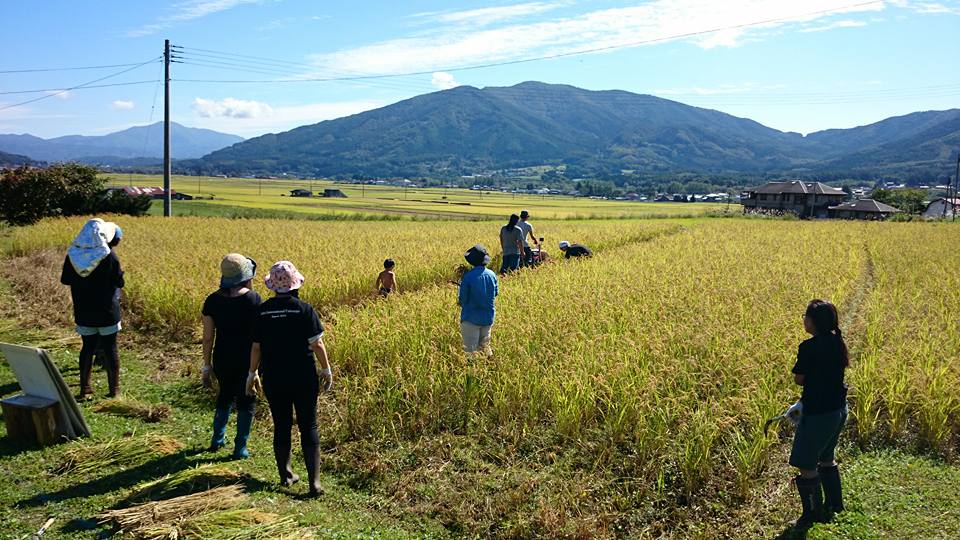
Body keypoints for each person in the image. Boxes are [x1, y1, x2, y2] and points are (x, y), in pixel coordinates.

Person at [246, 261, 333, 497]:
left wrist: (252, 373)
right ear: (295, 284)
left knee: (281, 424)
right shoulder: (304, 309)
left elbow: (256, 347)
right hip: (303, 375)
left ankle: (286, 474)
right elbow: (317, 343)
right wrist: (326, 370)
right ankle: (314, 483)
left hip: (274, 375)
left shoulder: (263, 311)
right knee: (309, 424)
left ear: (273, 286)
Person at [789, 299, 849, 528]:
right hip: (838, 410)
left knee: (806, 464)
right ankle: (835, 504)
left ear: (814, 322)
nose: (803, 319)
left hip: (818, 415)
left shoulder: (808, 347)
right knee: (826, 457)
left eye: (806, 316)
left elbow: (799, 379)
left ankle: (812, 514)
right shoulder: (837, 341)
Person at [201, 254, 261, 459]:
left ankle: (217, 439)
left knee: (224, 395)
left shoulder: (212, 300)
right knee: (247, 400)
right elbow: (257, 339)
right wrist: (256, 369)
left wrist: (206, 366)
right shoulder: (254, 300)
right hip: (246, 359)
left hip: (221, 358)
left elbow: (208, 338)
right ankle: (240, 448)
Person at [60, 218, 124, 400]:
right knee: (110, 347)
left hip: (83, 309)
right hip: (107, 311)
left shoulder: (72, 255)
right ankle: (114, 390)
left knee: (87, 347)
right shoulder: (109, 256)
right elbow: (119, 281)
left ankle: (84, 388)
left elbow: (65, 280)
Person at [458, 245, 498, 356]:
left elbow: (463, 300)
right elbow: (495, 293)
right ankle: (489, 369)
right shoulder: (492, 275)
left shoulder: (468, 277)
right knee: (485, 347)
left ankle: (472, 372)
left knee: (470, 352)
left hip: (471, 318)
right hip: (488, 317)